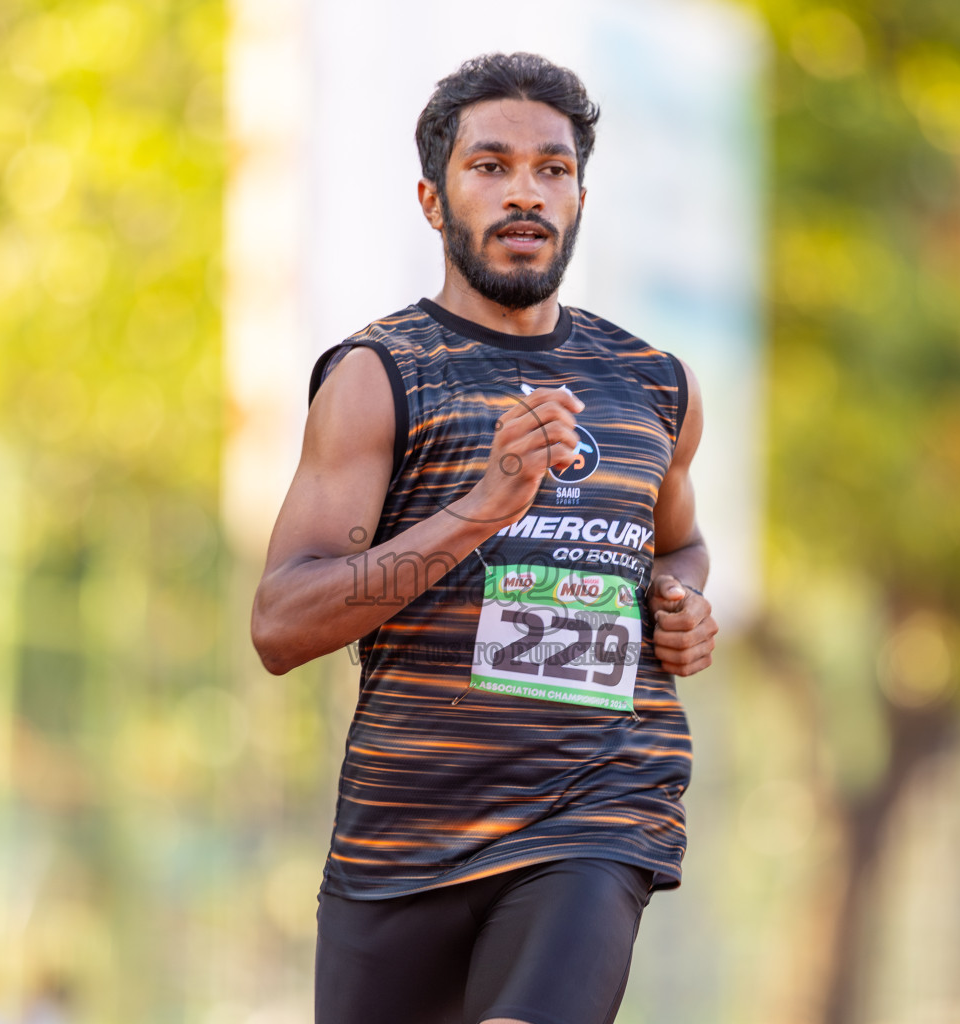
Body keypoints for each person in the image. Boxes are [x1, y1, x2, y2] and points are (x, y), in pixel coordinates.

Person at [252, 53, 717, 1024]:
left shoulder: (654, 385)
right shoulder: (381, 377)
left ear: (581, 195)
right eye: (491, 166)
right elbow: (281, 623)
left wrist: (679, 604)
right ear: (432, 198)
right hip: (403, 839)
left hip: (594, 810)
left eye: (552, 170)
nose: (525, 194)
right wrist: (481, 506)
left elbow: (679, 545)